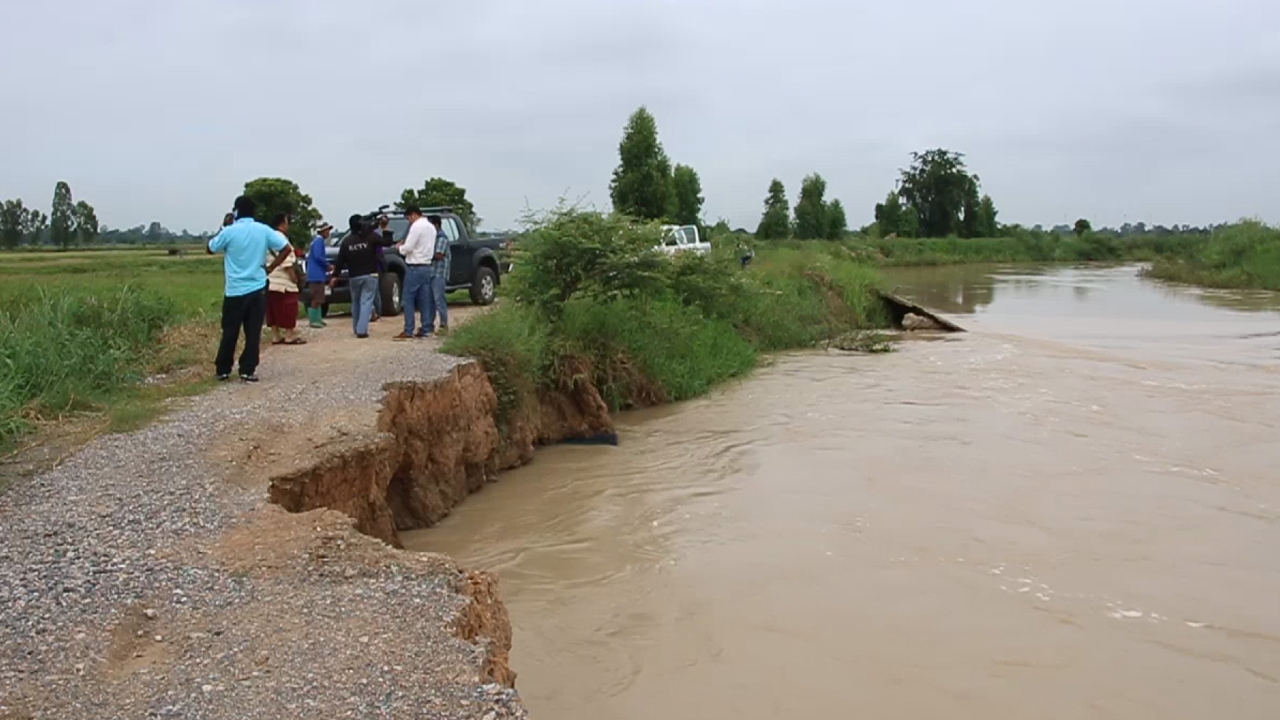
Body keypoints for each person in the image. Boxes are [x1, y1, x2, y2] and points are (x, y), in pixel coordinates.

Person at [207, 195, 290, 382]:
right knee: (253, 332)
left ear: (236, 211)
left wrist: (224, 226)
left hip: (235, 289)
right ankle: (247, 369)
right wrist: (271, 267)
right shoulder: (263, 230)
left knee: (230, 331)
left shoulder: (229, 232)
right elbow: (285, 248)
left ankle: (223, 368)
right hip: (258, 287)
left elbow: (211, 248)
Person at [332, 214, 393, 339]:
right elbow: (387, 242)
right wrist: (384, 228)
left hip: (354, 276)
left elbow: (340, 261)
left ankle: (356, 327)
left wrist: (335, 276)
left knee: (356, 302)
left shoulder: (347, 241)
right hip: (370, 274)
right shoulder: (370, 237)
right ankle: (362, 330)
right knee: (366, 301)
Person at [265, 213, 306, 346]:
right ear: (282, 223)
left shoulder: (267, 238)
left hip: (270, 280)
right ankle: (289, 335)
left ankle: (275, 336)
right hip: (283, 280)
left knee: (272, 309)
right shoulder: (281, 239)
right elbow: (287, 261)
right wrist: (294, 278)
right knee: (289, 307)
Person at [395, 205, 435, 339]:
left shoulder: (416, 226)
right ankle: (426, 327)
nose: (409, 221)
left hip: (415, 266)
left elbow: (409, 247)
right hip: (427, 265)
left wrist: (399, 248)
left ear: (413, 215)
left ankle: (408, 329)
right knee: (424, 299)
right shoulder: (431, 227)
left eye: (408, 218)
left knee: (408, 298)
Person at [425, 214, 452, 335]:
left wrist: (425, 254)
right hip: (432, 272)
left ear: (435, 225)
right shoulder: (433, 237)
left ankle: (443, 323)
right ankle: (429, 324)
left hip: (439, 273)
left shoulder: (442, 238)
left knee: (438, 299)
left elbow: (439, 255)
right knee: (430, 300)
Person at [305, 223, 333, 328]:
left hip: (317, 273)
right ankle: (313, 320)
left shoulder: (317, 241)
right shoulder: (319, 241)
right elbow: (318, 257)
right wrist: (327, 265)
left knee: (319, 297)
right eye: (326, 230)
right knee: (316, 297)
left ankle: (318, 318)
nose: (328, 233)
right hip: (316, 274)